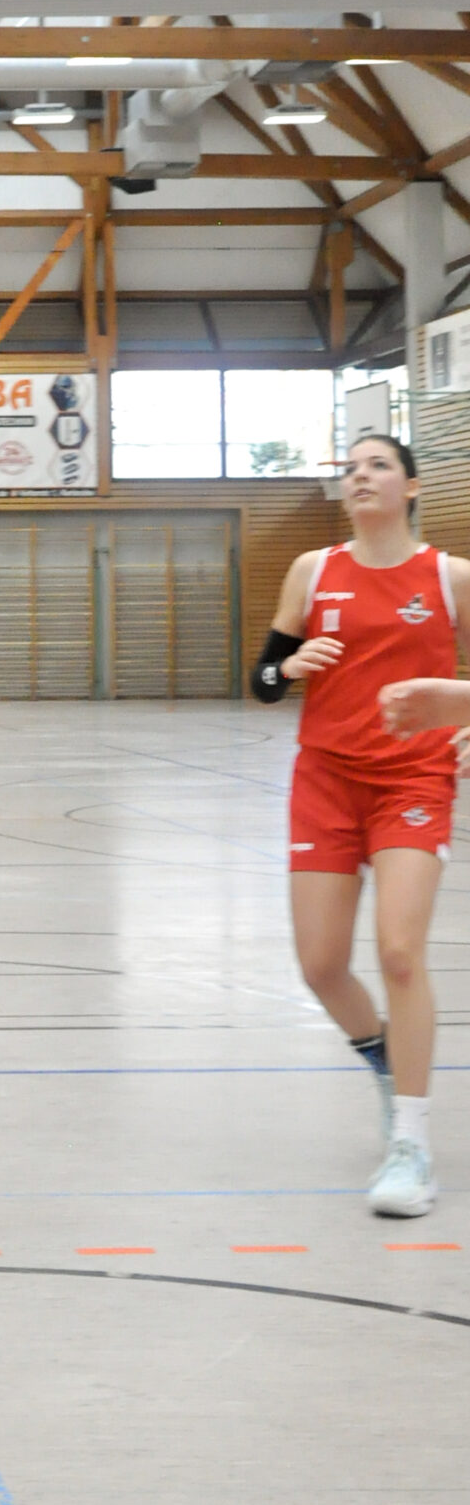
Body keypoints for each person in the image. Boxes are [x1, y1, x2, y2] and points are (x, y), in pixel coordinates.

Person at [252, 431, 468, 1218]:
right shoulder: (313, 571)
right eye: (350, 469)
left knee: (400, 952)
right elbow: (263, 678)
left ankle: (411, 1143)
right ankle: (383, 1056)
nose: (360, 477)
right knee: (320, 965)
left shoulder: (449, 577)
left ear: (412, 486)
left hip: (413, 777)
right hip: (326, 780)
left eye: (378, 465)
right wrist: (286, 667)